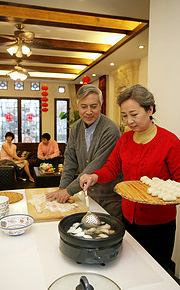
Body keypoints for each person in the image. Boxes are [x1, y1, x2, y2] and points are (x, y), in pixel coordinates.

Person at [80, 84, 180, 271]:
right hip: (127, 216)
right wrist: (94, 176)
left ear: (150, 109)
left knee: (158, 269)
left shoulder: (170, 142)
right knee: (131, 267)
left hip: (159, 224)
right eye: (125, 116)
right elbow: (111, 167)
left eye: (134, 114)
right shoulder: (125, 140)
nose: (129, 121)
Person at [46, 84, 123, 219]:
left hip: (109, 198)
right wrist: (62, 189)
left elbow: (96, 165)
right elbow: (70, 160)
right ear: (77, 106)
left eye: (93, 106)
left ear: (101, 106)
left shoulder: (111, 130)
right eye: (84, 106)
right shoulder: (76, 128)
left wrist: (69, 191)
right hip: (89, 195)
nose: (88, 111)